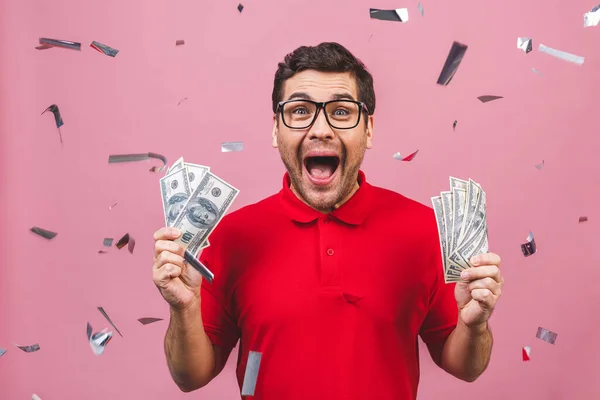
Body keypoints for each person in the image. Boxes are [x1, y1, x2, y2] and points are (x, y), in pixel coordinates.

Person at [152, 42, 504, 399]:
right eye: (300, 111)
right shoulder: (230, 236)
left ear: (368, 129)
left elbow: (465, 367)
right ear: (276, 130)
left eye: (340, 112)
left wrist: (475, 326)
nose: (320, 129)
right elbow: (190, 377)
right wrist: (183, 309)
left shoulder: (425, 229)